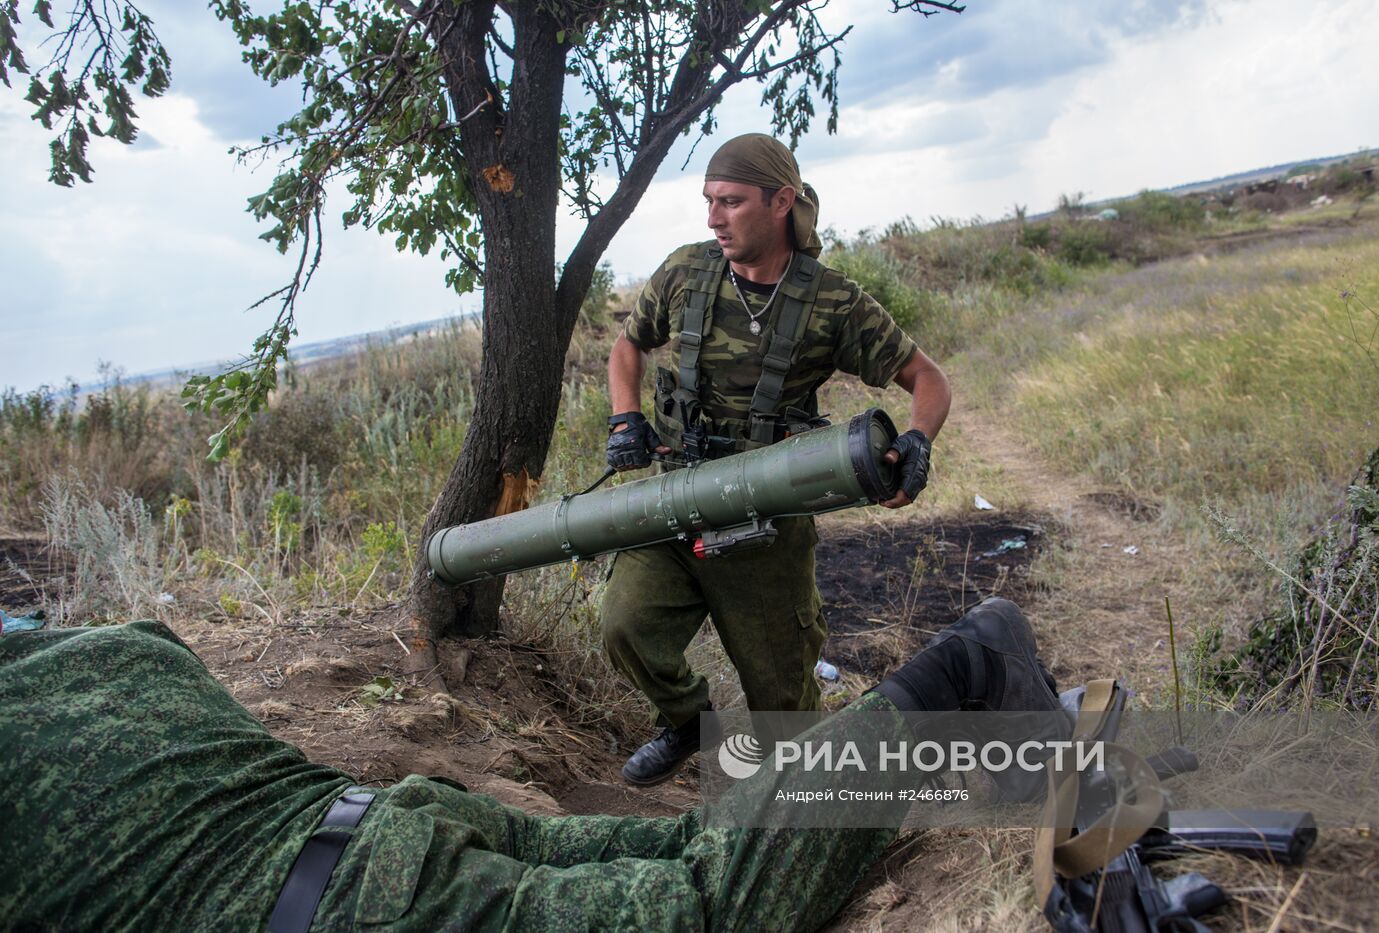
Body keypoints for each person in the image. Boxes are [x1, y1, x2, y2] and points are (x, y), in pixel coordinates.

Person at [0, 599, 1062, 933]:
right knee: (694, 844)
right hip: (383, 819)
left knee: (708, 905)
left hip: (368, 905)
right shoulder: (113, 648)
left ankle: (964, 665)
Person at [602, 133, 953, 785]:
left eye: (731, 202)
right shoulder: (685, 272)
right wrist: (626, 417)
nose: (714, 217)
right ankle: (688, 722)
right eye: (709, 201)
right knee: (625, 625)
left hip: (765, 522)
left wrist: (918, 439)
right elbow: (628, 345)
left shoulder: (832, 302)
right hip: (674, 501)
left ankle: (807, 807)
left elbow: (926, 377)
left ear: (781, 201)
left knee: (784, 711)